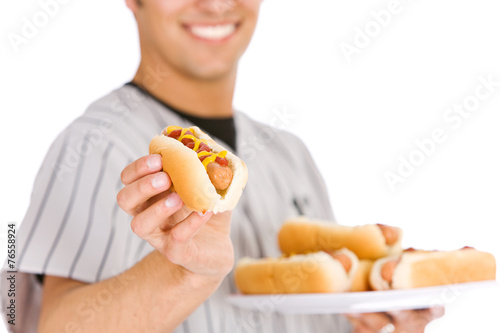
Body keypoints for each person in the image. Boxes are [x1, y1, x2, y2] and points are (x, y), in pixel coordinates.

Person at [4, 0, 443, 332]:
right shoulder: (95, 144)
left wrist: (372, 321)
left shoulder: (291, 154)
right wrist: (183, 276)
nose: (215, 4)